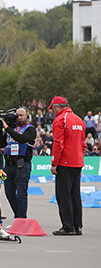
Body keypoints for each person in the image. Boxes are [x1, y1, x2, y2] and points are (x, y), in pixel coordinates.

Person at [49, 96, 85, 236]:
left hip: (64, 162)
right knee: (75, 194)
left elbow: (58, 143)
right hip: (77, 161)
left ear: (58, 107)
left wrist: (54, 163)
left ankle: (68, 226)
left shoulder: (60, 120)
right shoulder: (79, 119)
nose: (52, 111)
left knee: (63, 195)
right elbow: (82, 144)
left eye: (52, 108)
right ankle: (78, 226)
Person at [0, 107, 36, 219]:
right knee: (9, 193)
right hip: (8, 164)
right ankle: (18, 216)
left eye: (21, 115)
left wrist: (7, 128)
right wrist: (0, 130)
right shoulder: (11, 129)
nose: (18, 117)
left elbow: (22, 139)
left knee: (21, 193)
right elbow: (1, 144)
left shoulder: (30, 129)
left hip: (22, 164)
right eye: (17, 115)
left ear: (27, 116)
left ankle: (22, 218)